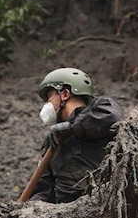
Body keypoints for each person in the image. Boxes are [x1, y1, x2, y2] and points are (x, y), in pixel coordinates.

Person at [26, 67, 124, 204]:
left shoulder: (101, 109)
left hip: (102, 205)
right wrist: (31, 208)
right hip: (64, 216)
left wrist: (70, 127)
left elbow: (111, 117)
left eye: (49, 96)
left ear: (65, 94)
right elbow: (45, 189)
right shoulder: (53, 141)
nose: (47, 104)